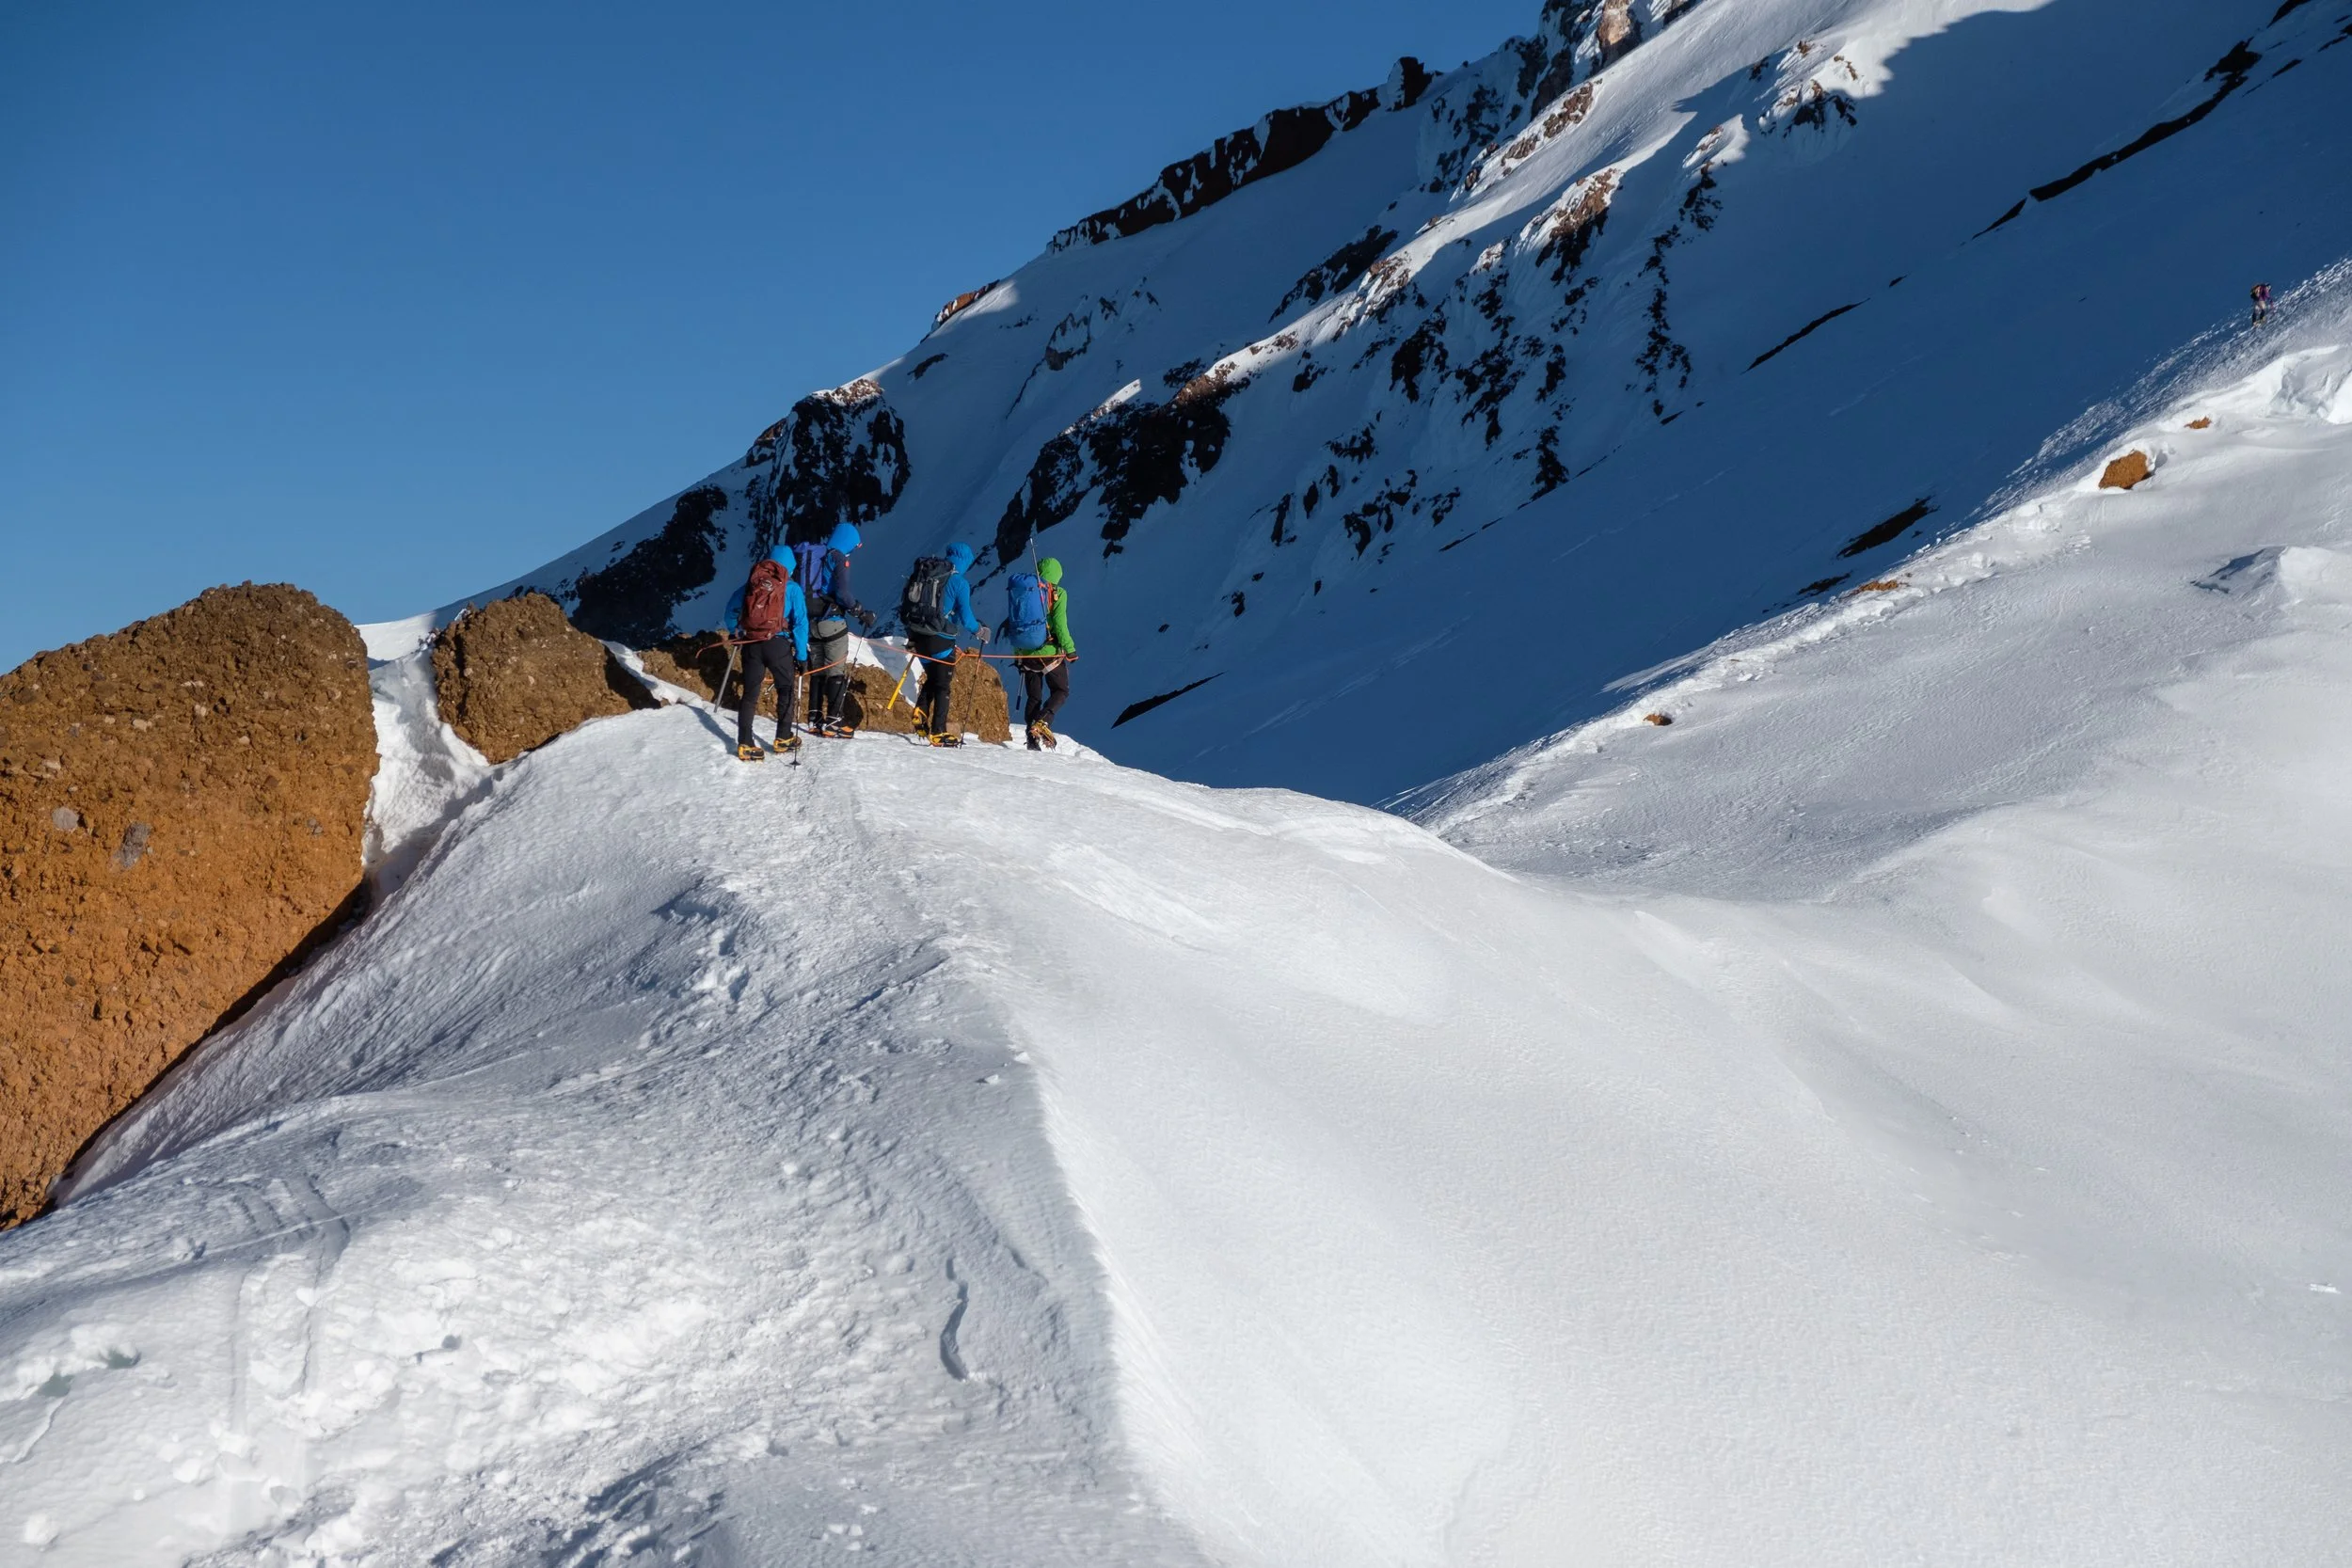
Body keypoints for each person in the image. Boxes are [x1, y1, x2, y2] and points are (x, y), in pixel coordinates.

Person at [721, 547, 808, 762]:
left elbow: (730, 612)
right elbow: (800, 623)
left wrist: (736, 632)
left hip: (752, 643)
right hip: (778, 645)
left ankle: (745, 743)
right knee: (785, 688)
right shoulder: (792, 588)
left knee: (750, 694)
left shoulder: (751, 585)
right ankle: (783, 737)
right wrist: (802, 656)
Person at [794, 522, 879, 738]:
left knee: (818, 669)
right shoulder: (839, 558)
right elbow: (843, 593)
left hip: (811, 621)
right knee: (835, 670)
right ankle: (834, 720)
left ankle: (814, 718)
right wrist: (860, 611)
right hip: (831, 621)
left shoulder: (818, 555)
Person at [899, 543, 986, 746]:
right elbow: (967, 619)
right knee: (943, 685)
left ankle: (921, 710)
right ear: (965, 561)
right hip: (940, 638)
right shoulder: (959, 582)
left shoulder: (929, 575)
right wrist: (980, 631)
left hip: (917, 634)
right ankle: (939, 732)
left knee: (934, 676)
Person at [1001, 556, 1076, 751]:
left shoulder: (1026, 591)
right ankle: (1043, 722)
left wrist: (1018, 653)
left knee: (1034, 697)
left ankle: (1032, 740)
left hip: (1026, 654)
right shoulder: (1058, 593)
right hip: (1049, 653)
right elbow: (1060, 625)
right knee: (1061, 690)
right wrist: (1070, 649)